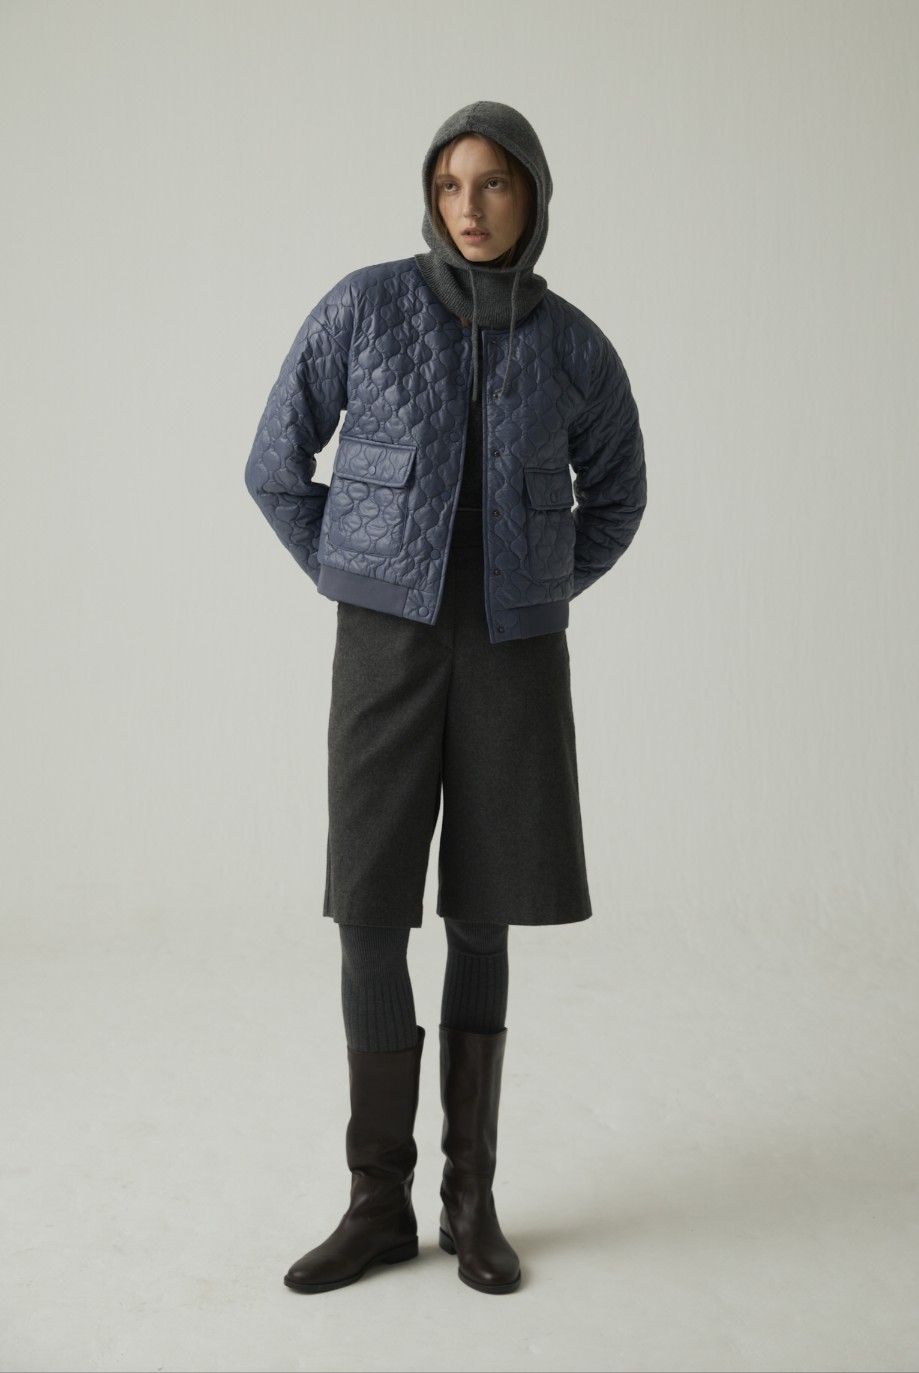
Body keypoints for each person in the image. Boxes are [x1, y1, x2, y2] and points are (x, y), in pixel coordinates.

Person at [244, 99, 647, 1297]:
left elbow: (619, 495)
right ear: (430, 197)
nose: (469, 207)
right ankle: (377, 1201)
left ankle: (471, 1199)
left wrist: (534, 583)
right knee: (369, 909)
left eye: (494, 184)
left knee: (484, 909)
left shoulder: (574, 345)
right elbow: (274, 466)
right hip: (387, 646)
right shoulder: (362, 308)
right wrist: (355, 569)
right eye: (450, 185)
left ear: (533, 196)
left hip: (513, 649)